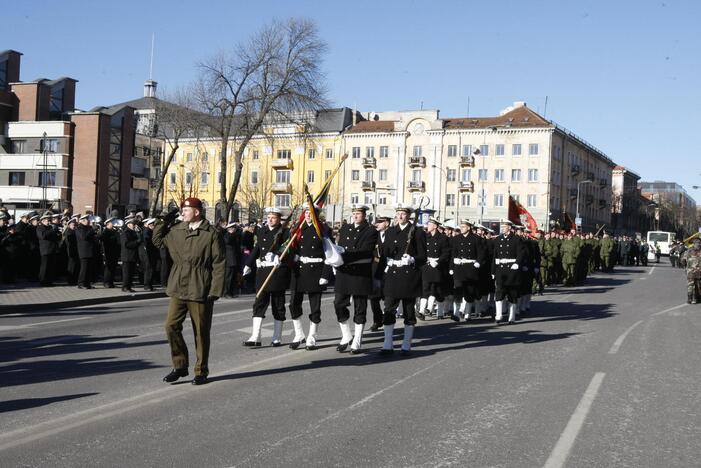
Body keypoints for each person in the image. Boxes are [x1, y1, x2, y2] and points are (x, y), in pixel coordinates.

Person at [153, 198, 225, 385]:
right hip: (178, 285)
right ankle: (180, 365)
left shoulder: (210, 234)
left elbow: (219, 263)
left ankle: (201, 370)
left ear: (197, 212)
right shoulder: (177, 230)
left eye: (186, 209)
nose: (183, 212)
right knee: (170, 326)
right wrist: (163, 221)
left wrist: (215, 289)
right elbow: (157, 240)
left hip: (200, 286)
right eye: (182, 209)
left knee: (200, 331)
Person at [331, 204, 377, 354]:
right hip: (344, 273)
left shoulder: (370, 231)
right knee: (338, 303)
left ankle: (357, 339)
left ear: (364, 215)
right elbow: (340, 246)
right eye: (354, 213)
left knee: (360, 307)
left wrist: (343, 256)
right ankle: (346, 335)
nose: (356, 216)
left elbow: (365, 252)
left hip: (360, 273)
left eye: (358, 213)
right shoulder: (345, 228)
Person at [380, 205, 426, 356]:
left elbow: (423, 257)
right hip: (393, 274)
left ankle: (406, 344)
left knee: (408, 311)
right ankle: (387, 344)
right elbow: (385, 252)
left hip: (409, 276)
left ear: (408, 216)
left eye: (403, 214)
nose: (400, 216)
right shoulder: (391, 231)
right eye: (398, 214)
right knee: (389, 309)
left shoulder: (417, 232)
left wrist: (413, 259)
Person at [242, 207, 290, 347]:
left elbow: (289, 248)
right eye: (268, 217)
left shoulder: (285, 232)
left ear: (279, 218)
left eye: (273, 217)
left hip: (276, 271)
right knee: (259, 303)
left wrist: (279, 255)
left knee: (278, 304)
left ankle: (277, 336)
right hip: (262, 272)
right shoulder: (261, 230)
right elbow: (257, 249)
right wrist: (248, 264)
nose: (270, 219)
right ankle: (255, 336)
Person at [289, 204, 330, 350]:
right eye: (306, 212)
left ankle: (312, 336)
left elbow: (330, 253)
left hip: (315, 270)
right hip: (299, 270)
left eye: (310, 213)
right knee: (293, 303)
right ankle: (299, 334)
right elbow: (290, 248)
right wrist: (290, 257)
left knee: (315, 306)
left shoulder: (323, 230)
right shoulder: (297, 230)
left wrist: (325, 274)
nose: (307, 215)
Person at [449, 219, 485, 321]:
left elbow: (481, 253)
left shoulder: (476, 239)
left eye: (463, 227)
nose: (461, 228)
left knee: (469, 292)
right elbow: (453, 254)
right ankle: (456, 313)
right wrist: (451, 267)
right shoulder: (456, 238)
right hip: (459, 268)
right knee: (458, 290)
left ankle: (467, 313)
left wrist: (478, 262)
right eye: (461, 227)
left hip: (470, 268)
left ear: (469, 227)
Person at [492, 220, 525, 324]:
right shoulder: (498, 239)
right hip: (501, 270)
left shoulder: (516, 239)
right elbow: (495, 256)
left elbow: (521, 253)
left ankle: (511, 316)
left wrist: (517, 263)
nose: (503, 228)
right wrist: (493, 270)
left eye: (505, 226)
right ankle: (498, 315)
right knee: (499, 293)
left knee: (512, 294)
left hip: (512, 270)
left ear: (510, 228)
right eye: (502, 226)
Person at [417, 218, 451, 321]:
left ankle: (437, 310)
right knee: (425, 288)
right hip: (427, 265)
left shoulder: (442, 238)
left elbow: (446, 253)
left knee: (436, 288)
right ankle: (422, 311)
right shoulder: (425, 237)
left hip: (437, 266)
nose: (428, 226)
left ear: (435, 226)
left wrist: (438, 261)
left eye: (430, 224)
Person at [369, 216, 390, 330]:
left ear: (386, 223)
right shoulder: (374, 235)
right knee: (374, 297)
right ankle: (377, 320)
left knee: (388, 297)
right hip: (376, 269)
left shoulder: (392, 234)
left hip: (388, 269)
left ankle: (387, 318)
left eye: (380, 222)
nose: (377, 224)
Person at [36, 211, 59, 286]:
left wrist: (58, 234)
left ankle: (49, 281)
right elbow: (43, 236)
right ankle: (42, 281)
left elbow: (55, 238)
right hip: (45, 250)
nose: (49, 222)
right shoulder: (40, 228)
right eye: (47, 220)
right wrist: (52, 230)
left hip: (52, 249)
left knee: (51, 267)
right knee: (44, 267)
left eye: (49, 220)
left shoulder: (50, 228)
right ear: (42, 221)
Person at [75, 214, 98, 289]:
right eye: (87, 220)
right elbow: (83, 237)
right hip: (84, 251)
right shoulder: (79, 228)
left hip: (90, 251)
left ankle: (87, 283)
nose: (88, 221)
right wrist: (92, 230)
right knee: (84, 269)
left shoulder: (89, 228)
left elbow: (92, 237)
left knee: (89, 269)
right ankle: (81, 284)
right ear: (82, 221)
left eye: (88, 220)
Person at [120, 215, 141, 292]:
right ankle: (125, 287)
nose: (135, 226)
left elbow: (138, 242)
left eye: (135, 224)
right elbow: (126, 244)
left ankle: (129, 286)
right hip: (127, 256)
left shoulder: (134, 233)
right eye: (133, 224)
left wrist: (139, 237)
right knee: (127, 273)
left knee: (131, 273)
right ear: (128, 224)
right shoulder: (125, 233)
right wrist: (137, 242)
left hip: (133, 256)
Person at [222, 221, 242, 298]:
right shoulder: (227, 235)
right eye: (232, 228)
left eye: (234, 228)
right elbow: (227, 241)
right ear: (229, 229)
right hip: (229, 259)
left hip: (234, 259)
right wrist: (230, 233)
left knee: (233, 277)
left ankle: (231, 292)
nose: (234, 229)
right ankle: (226, 292)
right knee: (228, 277)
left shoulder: (235, 235)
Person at [100, 218, 121, 288]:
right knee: (108, 268)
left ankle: (111, 282)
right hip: (108, 252)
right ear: (108, 224)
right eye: (112, 223)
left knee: (113, 268)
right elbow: (103, 239)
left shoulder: (114, 231)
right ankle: (106, 282)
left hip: (114, 252)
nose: (114, 224)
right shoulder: (105, 231)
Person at [682, 239, 701, 304]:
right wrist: (685, 267)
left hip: (697, 272)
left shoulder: (688, 251)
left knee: (697, 285)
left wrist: (685, 267)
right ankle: (690, 299)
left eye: (699, 243)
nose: (698, 244)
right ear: (694, 243)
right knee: (691, 285)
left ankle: (696, 298)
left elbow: (683, 260)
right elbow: (683, 260)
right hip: (692, 272)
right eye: (697, 243)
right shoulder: (688, 251)